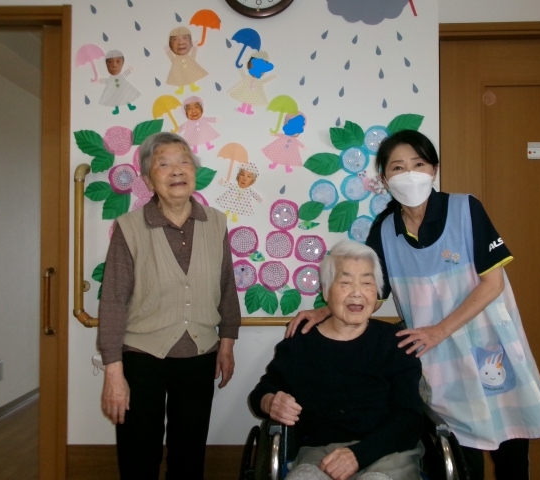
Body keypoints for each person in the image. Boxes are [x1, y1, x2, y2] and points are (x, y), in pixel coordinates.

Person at [287, 130, 540, 480]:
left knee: (511, 449)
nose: (409, 174)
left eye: (418, 164)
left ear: (434, 170)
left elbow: (494, 284)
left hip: (490, 347)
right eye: (398, 167)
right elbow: (372, 292)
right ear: (384, 179)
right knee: (460, 456)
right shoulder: (385, 231)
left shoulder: (465, 209)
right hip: (439, 360)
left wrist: (439, 330)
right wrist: (325, 310)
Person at [97, 132, 241, 480]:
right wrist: (114, 373)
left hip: (200, 354)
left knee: (189, 455)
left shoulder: (216, 222)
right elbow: (113, 300)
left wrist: (226, 344)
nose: (177, 170)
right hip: (141, 357)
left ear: (194, 172)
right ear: (148, 180)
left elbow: (226, 286)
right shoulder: (129, 227)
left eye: (184, 161)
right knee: (138, 455)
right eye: (163, 164)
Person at [251, 241, 424, 480]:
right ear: (325, 291)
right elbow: (263, 391)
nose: (357, 292)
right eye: (345, 282)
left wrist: (358, 455)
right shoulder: (301, 343)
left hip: (388, 452)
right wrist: (270, 402)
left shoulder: (396, 343)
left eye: (367, 283)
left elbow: (410, 417)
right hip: (321, 454)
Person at [165, 26, 208, 95]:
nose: (181, 42)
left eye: (185, 38)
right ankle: (181, 89)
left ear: (191, 42)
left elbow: (193, 56)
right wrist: (168, 52)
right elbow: (172, 59)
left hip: (190, 69)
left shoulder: (189, 58)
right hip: (179, 71)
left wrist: (195, 47)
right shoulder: (176, 60)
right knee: (180, 78)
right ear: (170, 45)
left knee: (190, 77)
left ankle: (193, 86)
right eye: (175, 39)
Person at [98, 50, 140, 115]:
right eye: (110, 62)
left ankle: (130, 106)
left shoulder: (121, 76)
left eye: (118, 61)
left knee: (126, 96)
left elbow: (125, 74)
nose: (114, 65)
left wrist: (129, 70)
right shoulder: (111, 78)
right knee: (115, 99)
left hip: (124, 89)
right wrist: (99, 81)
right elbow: (107, 81)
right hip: (114, 91)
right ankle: (117, 109)